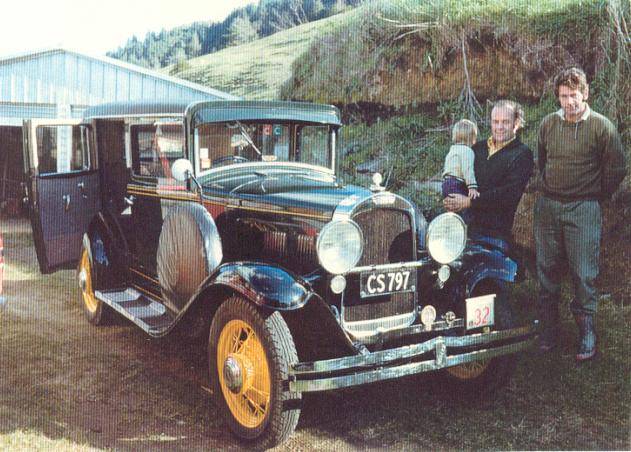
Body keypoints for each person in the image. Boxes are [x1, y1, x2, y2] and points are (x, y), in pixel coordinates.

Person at [535, 67, 626, 362]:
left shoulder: (602, 127)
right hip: (549, 206)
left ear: (585, 93)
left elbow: (616, 168)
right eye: (563, 96)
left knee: (583, 273)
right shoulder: (548, 124)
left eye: (574, 95)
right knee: (546, 268)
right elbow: (542, 159)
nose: (569, 102)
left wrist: (595, 195)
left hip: (583, 208)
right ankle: (548, 330)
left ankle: (586, 332)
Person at [444, 100, 534, 251]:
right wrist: (451, 198)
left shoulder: (522, 154)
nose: (499, 127)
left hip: (495, 234)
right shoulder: (476, 149)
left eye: (505, 122)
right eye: (495, 122)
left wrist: (469, 202)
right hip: (463, 226)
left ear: (516, 124)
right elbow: (460, 176)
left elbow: (508, 195)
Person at [442, 119, 479, 223]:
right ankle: (466, 233)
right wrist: (472, 187)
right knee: (463, 212)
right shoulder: (468, 151)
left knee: (452, 211)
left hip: (447, 183)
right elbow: (468, 170)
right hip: (457, 184)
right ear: (472, 138)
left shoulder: (452, 150)